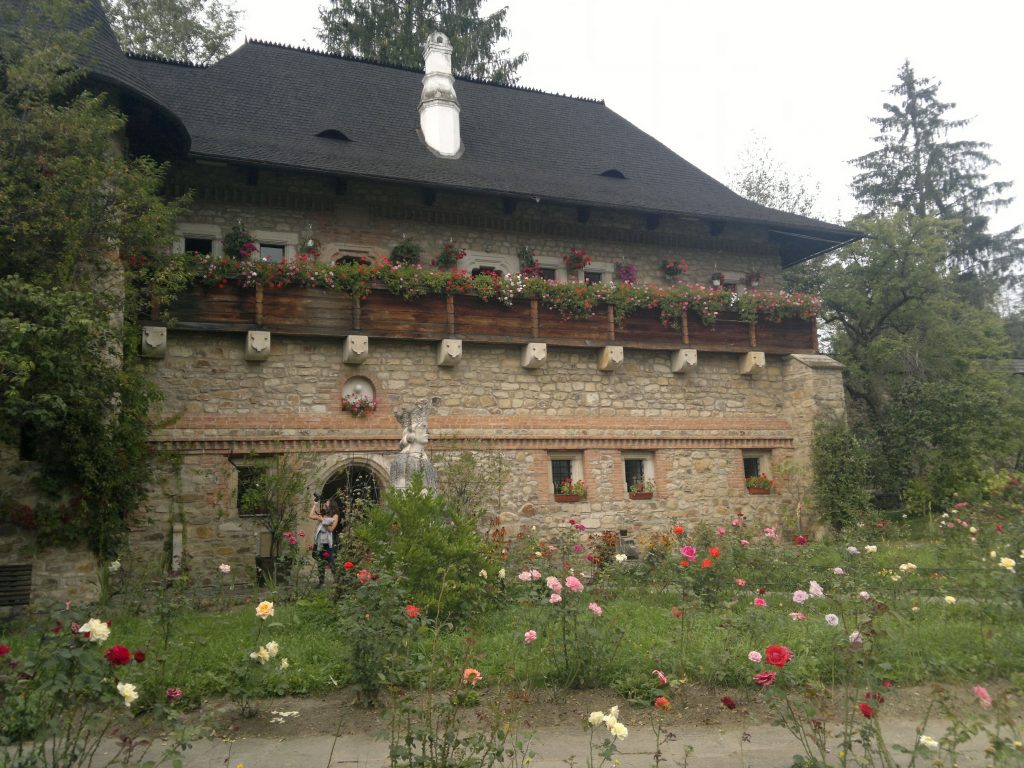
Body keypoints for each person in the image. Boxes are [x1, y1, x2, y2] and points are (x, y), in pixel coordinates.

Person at [309, 497, 339, 586]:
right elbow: (310, 516)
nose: (325, 503)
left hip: (327, 543)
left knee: (331, 562)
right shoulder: (324, 514)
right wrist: (315, 505)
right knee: (320, 561)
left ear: (332, 504)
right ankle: (321, 582)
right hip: (319, 542)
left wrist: (322, 520)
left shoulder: (335, 516)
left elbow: (331, 529)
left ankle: (337, 582)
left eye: (327, 502)